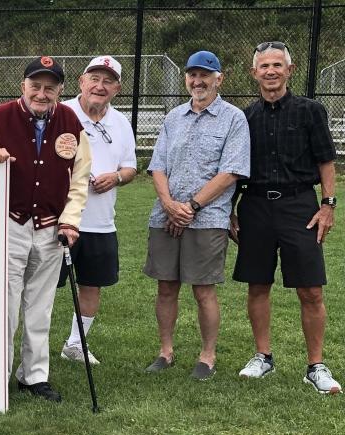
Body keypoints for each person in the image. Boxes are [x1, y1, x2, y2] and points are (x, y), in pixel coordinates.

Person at [0, 56, 91, 402]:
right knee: (5, 305)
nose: (42, 93)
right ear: (24, 86)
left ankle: (34, 376)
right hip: (10, 223)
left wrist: (71, 221)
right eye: (36, 85)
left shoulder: (70, 121)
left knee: (40, 305)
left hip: (51, 228)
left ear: (60, 90)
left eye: (50, 87)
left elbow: (79, 181)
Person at [231, 41, 340, 394]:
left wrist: (328, 204)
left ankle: (316, 366)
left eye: (278, 65)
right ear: (254, 73)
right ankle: (263, 357)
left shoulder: (311, 111)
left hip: (299, 207)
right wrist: (229, 209)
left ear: (290, 71)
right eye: (264, 66)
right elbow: (235, 168)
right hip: (256, 206)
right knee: (258, 283)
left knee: (310, 289)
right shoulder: (244, 117)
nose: (271, 71)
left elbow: (326, 161)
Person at [142, 51, 250, 381]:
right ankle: (166, 351)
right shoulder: (174, 117)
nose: (197, 81)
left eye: (205, 74)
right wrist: (169, 205)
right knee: (166, 287)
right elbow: (157, 166)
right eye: (192, 74)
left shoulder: (233, 119)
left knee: (203, 290)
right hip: (166, 215)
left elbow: (231, 171)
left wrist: (190, 208)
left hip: (207, 219)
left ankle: (207, 355)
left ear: (219, 78)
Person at [56, 56, 137, 365]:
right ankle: (32, 347)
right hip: (61, 220)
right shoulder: (62, 113)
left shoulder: (120, 122)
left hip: (102, 222)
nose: (99, 86)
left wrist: (115, 177)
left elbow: (130, 167)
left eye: (107, 81)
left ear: (116, 88)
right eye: (94, 78)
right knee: (45, 286)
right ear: (81, 81)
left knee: (92, 284)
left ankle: (75, 344)